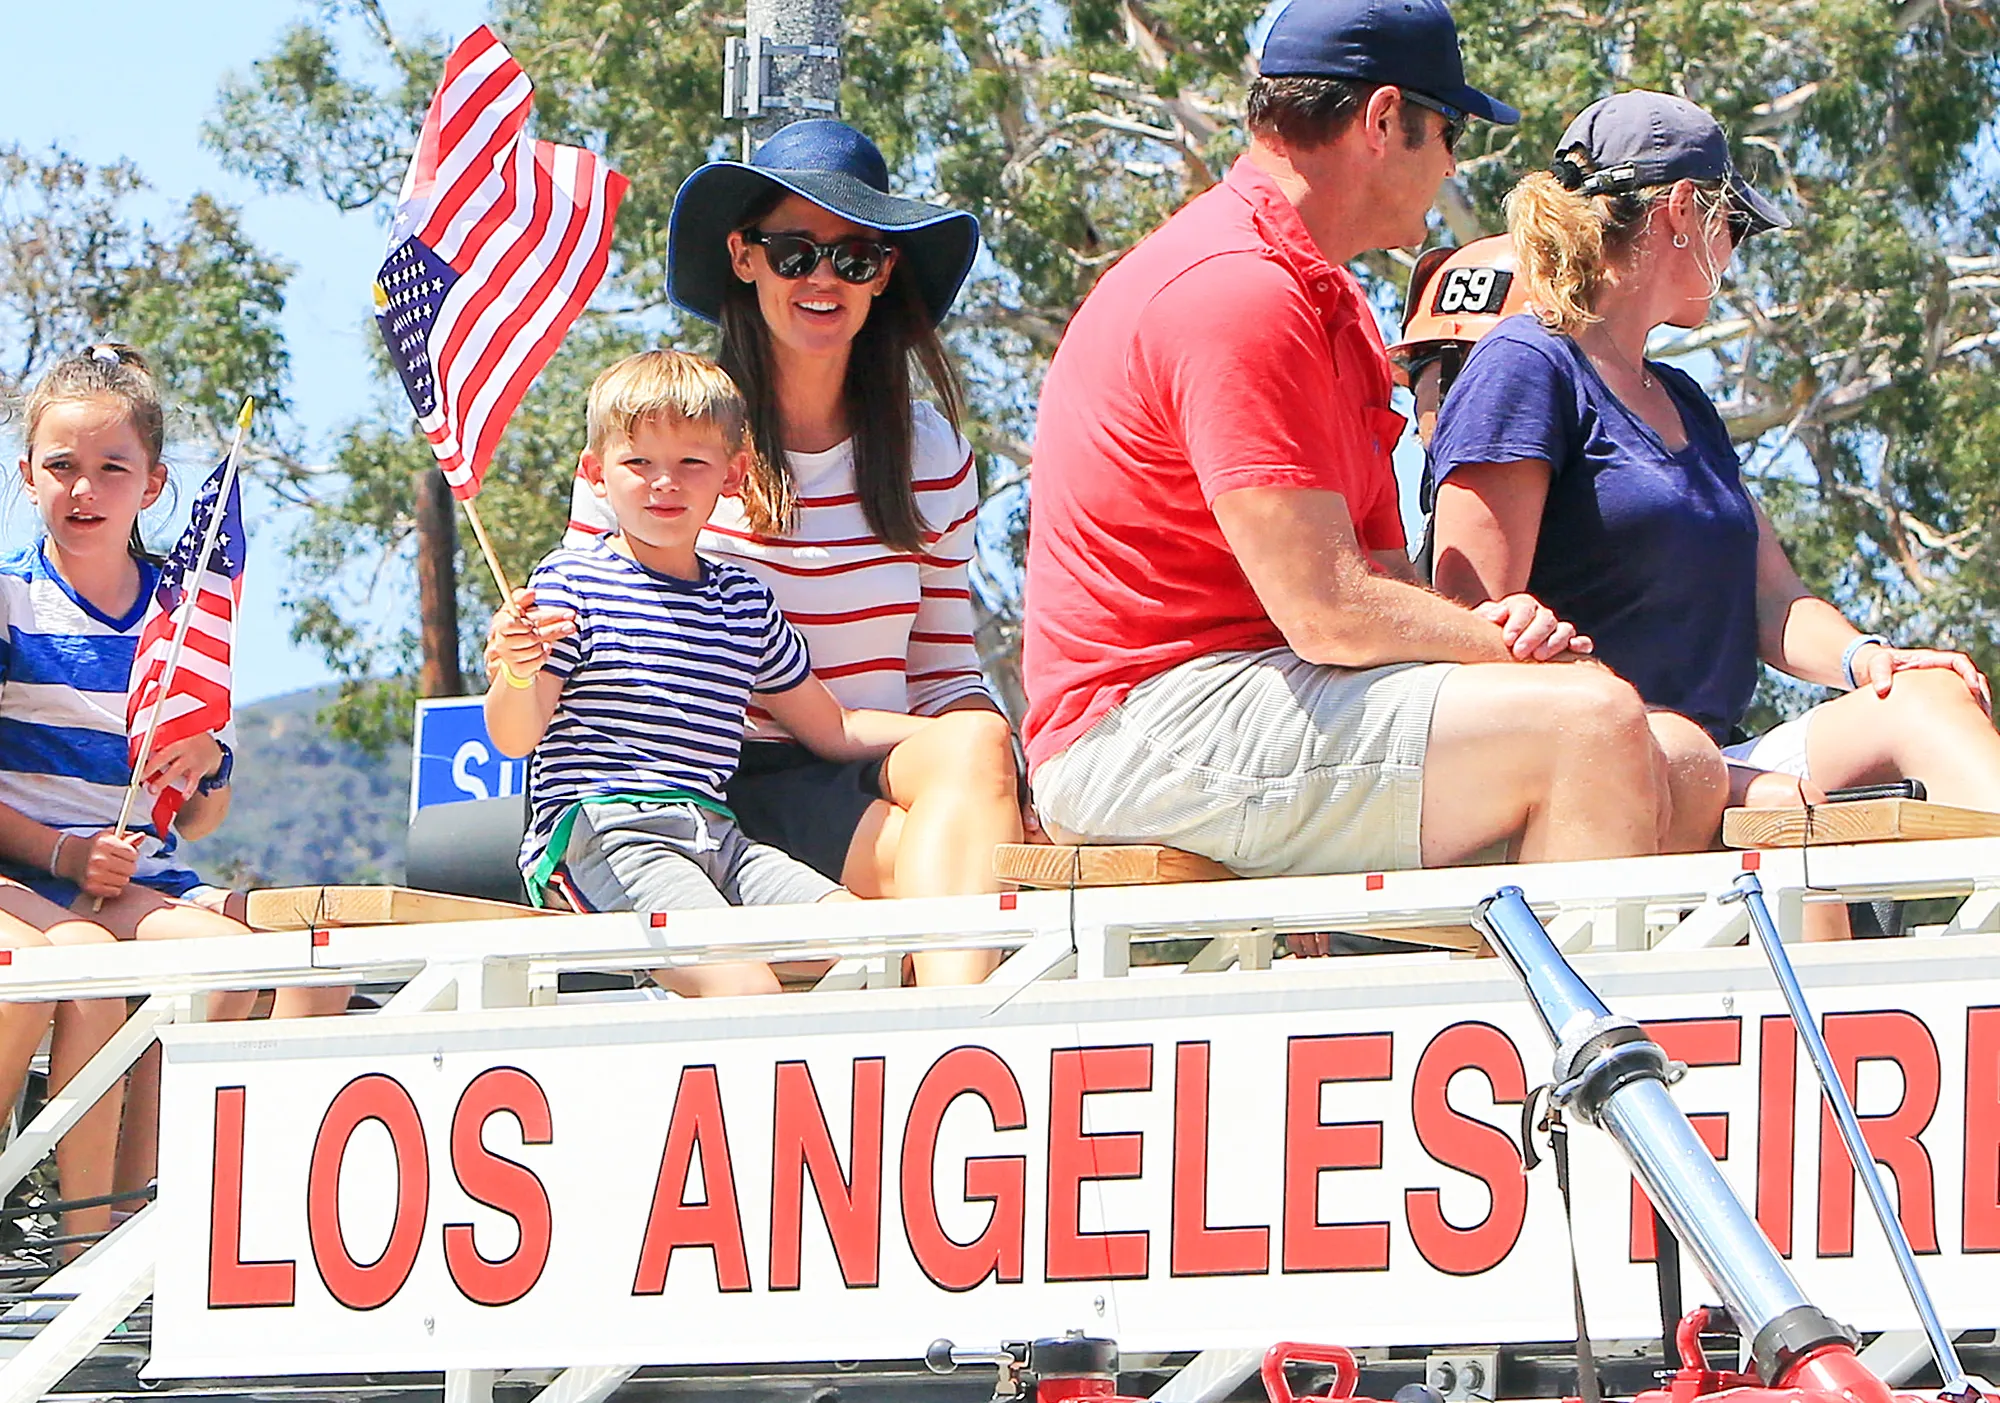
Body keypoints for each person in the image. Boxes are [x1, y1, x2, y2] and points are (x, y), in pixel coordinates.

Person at [1022, 0, 1675, 883]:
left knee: (1682, 760)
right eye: (1449, 133)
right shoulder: (1235, 292)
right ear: (1383, 120)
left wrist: (1487, 626)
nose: (1451, 164)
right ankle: (1558, 1022)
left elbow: (1381, 584)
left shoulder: (1330, 309)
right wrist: (1506, 650)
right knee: (1590, 727)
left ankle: (1497, 1004)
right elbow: (1326, 609)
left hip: (1269, 689)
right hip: (1139, 727)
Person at [1426, 91, 2000, 856]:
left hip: (1714, 757)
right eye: (1734, 227)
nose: (1733, 254)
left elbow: (1776, 601)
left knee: (1928, 694)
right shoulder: (1525, 365)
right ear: (1683, 210)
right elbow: (1471, 618)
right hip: (1601, 764)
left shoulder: (1686, 400)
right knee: (1780, 807)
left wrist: (1871, 659)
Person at [562, 120, 1018, 986]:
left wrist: (1005, 778)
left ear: (883, 276)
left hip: (866, 765)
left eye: (853, 259)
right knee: (948, 870)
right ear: (743, 257)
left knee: (977, 747)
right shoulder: (670, 448)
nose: (822, 279)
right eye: (793, 251)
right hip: (703, 787)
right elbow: (588, 631)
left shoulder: (928, 453)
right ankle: (953, 1055)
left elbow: (945, 668)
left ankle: (947, 1052)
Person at [1, 345, 346, 1215]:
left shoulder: (183, 614)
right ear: (26, 474)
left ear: (152, 486)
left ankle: (137, 1218)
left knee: (241, 969)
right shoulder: (9, 601)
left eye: (111, 469)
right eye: (62, 467)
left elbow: (197, 819)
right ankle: (77, 1234)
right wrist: (65, 851)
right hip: (26, 879)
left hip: (137, 884)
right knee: (82, 970)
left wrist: (206, 764)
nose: (85, 489)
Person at [491, 351, 933, 997]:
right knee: (745, 985)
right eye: (638, 462)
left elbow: (831, 725)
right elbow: (513, 736)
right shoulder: (570, 580)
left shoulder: (743, 600)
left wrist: (943, 736)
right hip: (604, 833)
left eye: (691, 462)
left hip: (718, 836)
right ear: (595, 474)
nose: (663, 482)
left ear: (733, 474)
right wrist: (518, 672)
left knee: (879, 952)